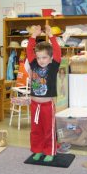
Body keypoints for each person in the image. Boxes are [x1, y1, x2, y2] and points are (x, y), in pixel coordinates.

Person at [26, 25, 61, 162]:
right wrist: (33, 36)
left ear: (51, 58)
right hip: (35, 105)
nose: (41, 60)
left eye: (44, 57)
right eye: (39, 57)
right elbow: (29, 50)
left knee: (48, 130)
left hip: (47, 105)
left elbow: (57, 50)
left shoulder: (53, 67)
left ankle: (49, 151)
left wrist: (51, 36)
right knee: (36, 130)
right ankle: (37, 150)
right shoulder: (34, 64)